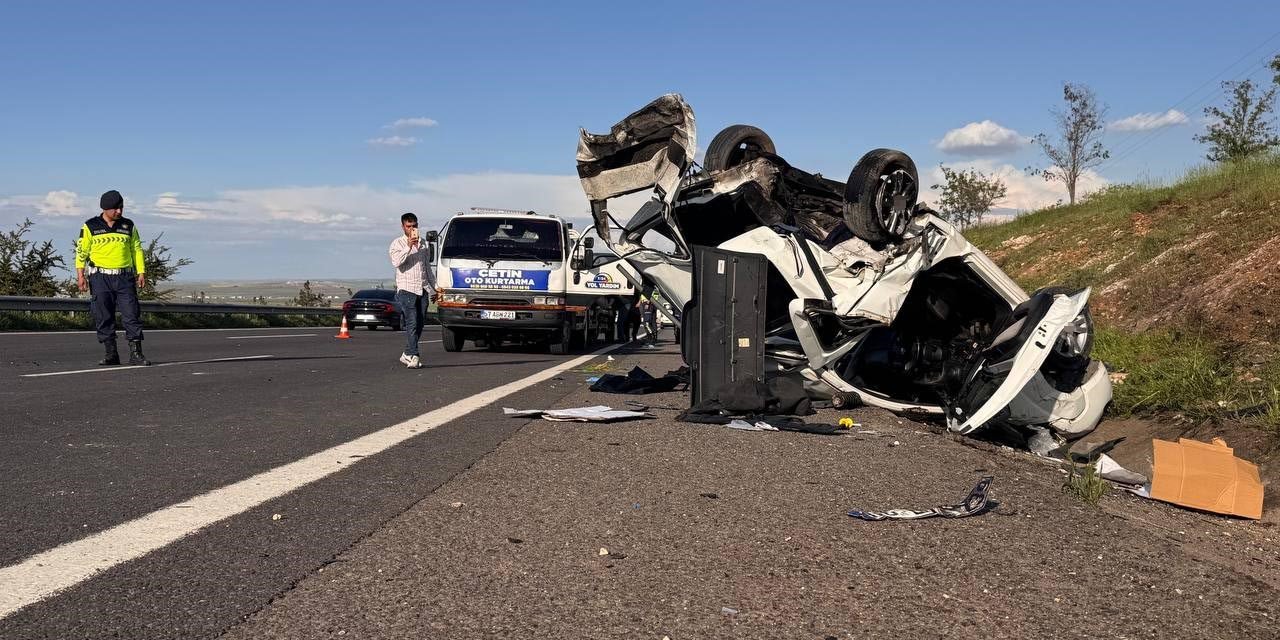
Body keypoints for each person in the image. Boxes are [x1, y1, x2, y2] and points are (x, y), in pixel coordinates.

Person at [76, 190, 150, 366]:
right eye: (115, 209)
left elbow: (136, 249)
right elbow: (81, 252)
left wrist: (141, 272)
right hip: (100, 277)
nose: (119, 212)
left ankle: (136, 353)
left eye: (121, 208)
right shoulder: (90, 226)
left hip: (124, 277)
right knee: (103, 315)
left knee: (131, 314)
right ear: (105, 208)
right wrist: (80, 275)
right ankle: (111, 353)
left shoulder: (128, 226)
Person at [388, 212, 437, 368]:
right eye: (409, 226)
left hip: (422, 288)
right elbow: (397, 263)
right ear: (403, 226)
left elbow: (427, 268)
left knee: (421, 322)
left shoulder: (424, 244)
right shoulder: (397, 244)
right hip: (406, 288)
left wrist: (434, 289)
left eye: (414, 226)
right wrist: (409, 246)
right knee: (412, 321)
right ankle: (414, 355)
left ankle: (407, 353)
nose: (412, 229)